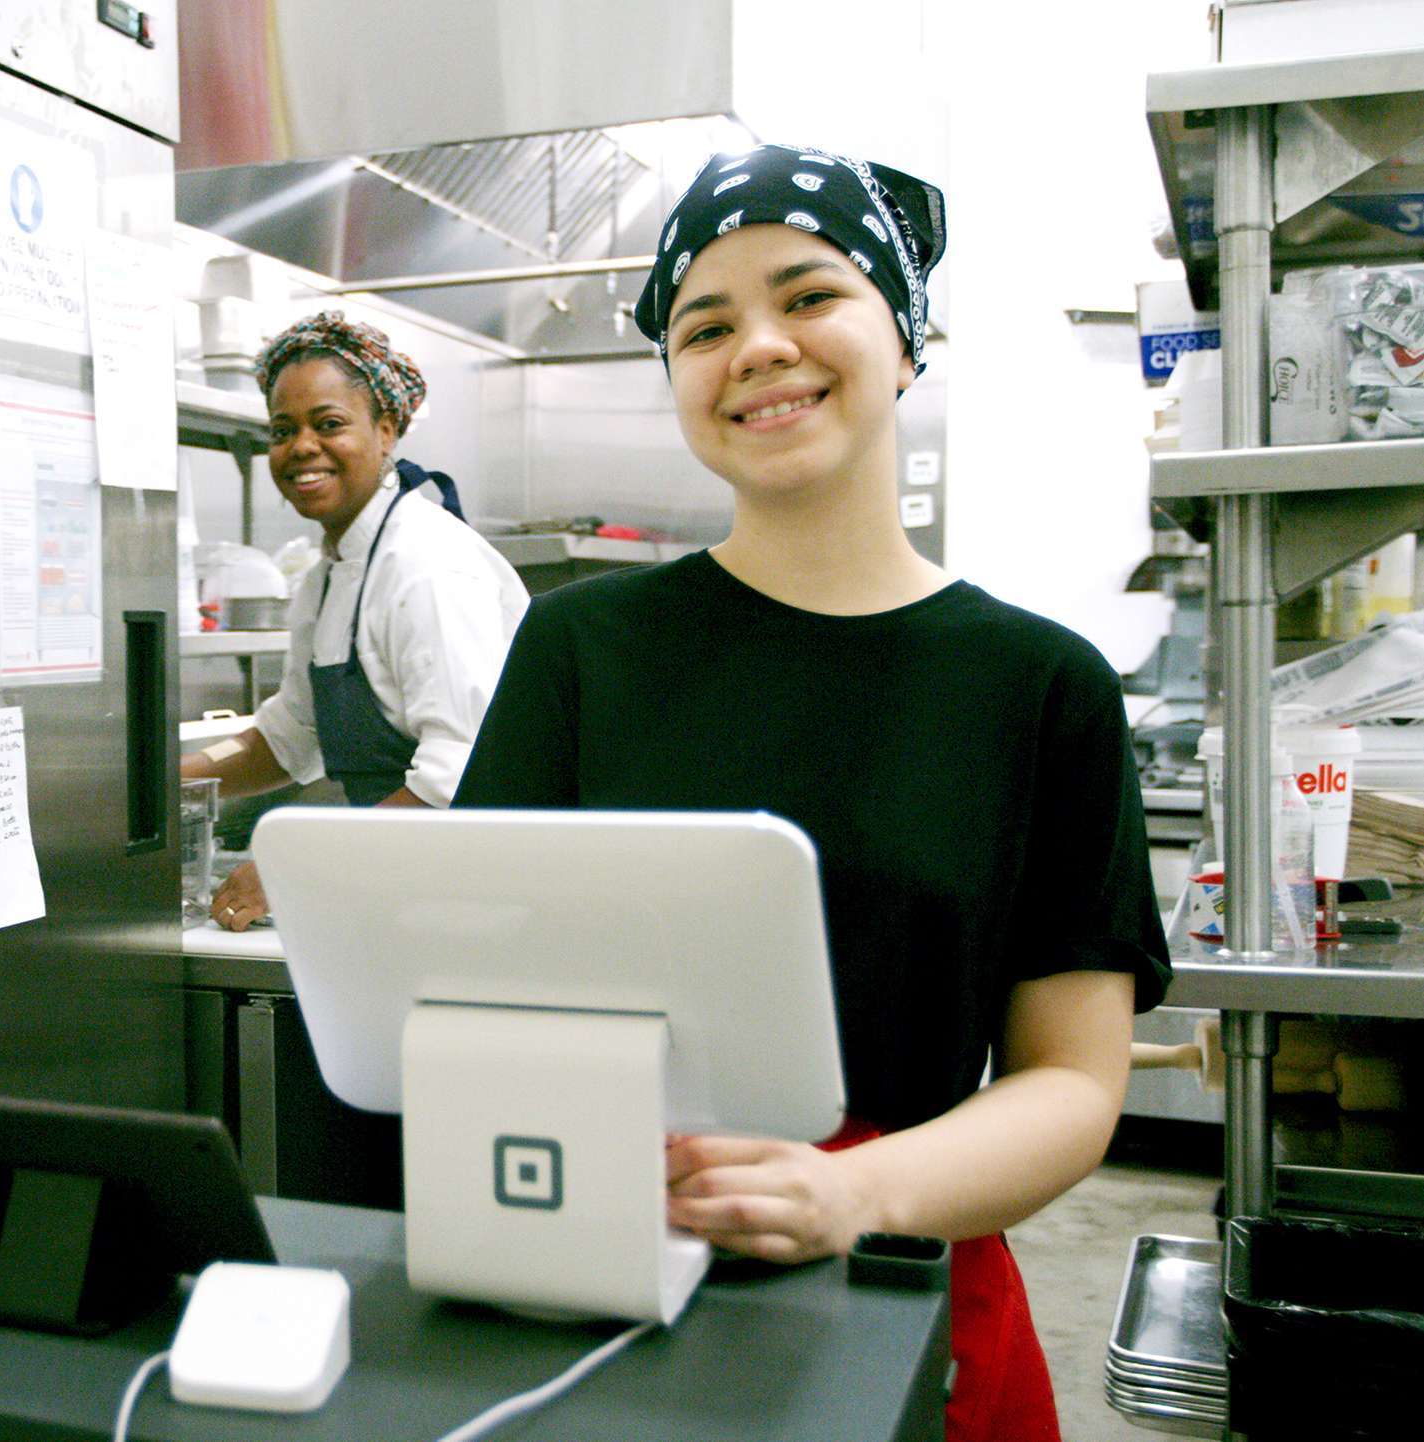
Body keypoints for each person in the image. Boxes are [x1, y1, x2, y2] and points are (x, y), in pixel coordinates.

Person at [452, 144, 1170, 1442]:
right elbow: (477, 994)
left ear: (903, 340)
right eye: (704, 323)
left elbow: (1072, 1082)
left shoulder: (1037, 685)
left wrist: (852, 1194)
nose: (759, 347)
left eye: (809, 296)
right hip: (604, 1277)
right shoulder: (578, 652)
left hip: (905, 1291)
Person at [183, 312, 528, 931]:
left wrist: (300, 863)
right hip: (404, 887)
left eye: (329, 424)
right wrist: (159, 783)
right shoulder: (326, 580)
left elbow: (463, 773)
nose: (302, 448)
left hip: (481, 900)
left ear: (387, 429)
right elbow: (288, 735)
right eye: (283, 430)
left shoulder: (427, 566)